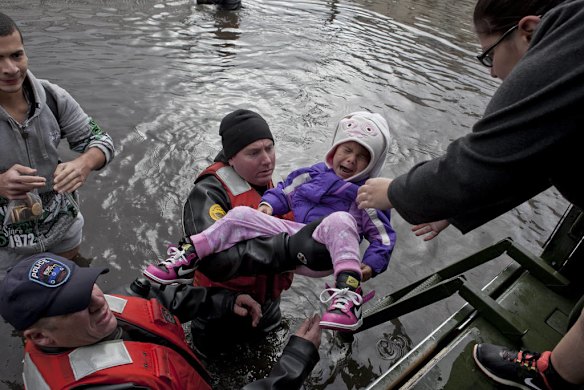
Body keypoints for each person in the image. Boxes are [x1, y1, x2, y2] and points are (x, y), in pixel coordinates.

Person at [356, 0, 584, 388]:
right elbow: (540, 157)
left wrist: (394, 191)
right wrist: (456, 208)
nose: (493, 71)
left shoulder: (569, 43)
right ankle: (556, 376)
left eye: (489, 54)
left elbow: (478, 160)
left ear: (528, 30)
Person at [145, 111, 396, 332]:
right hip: (220, 307)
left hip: (269, 299)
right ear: (231, 158)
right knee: (241, 214)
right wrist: (290, 249)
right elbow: (217, 262)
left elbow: (383, 235)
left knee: (340, 220)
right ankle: (186, 255)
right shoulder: (208, 193)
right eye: (254, 152)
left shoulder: (266, 181)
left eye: (270, 148)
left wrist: (371, 264)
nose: (267, 160)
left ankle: (347, 297)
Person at [0, 253, 321, 389]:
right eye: (75, 303)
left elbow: (154, 303)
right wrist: (294, 360)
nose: (98, 300)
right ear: (41, 337)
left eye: (87, 284)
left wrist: (222, 301)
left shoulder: (82, 319)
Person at [0, 12, 115, 277]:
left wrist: (83, 164)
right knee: (25, 312)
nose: (10, 68)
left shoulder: (53, 97)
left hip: (63, 233)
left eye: (16, 55)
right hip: (6, 249)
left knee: (77, 298)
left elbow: (101, 140)